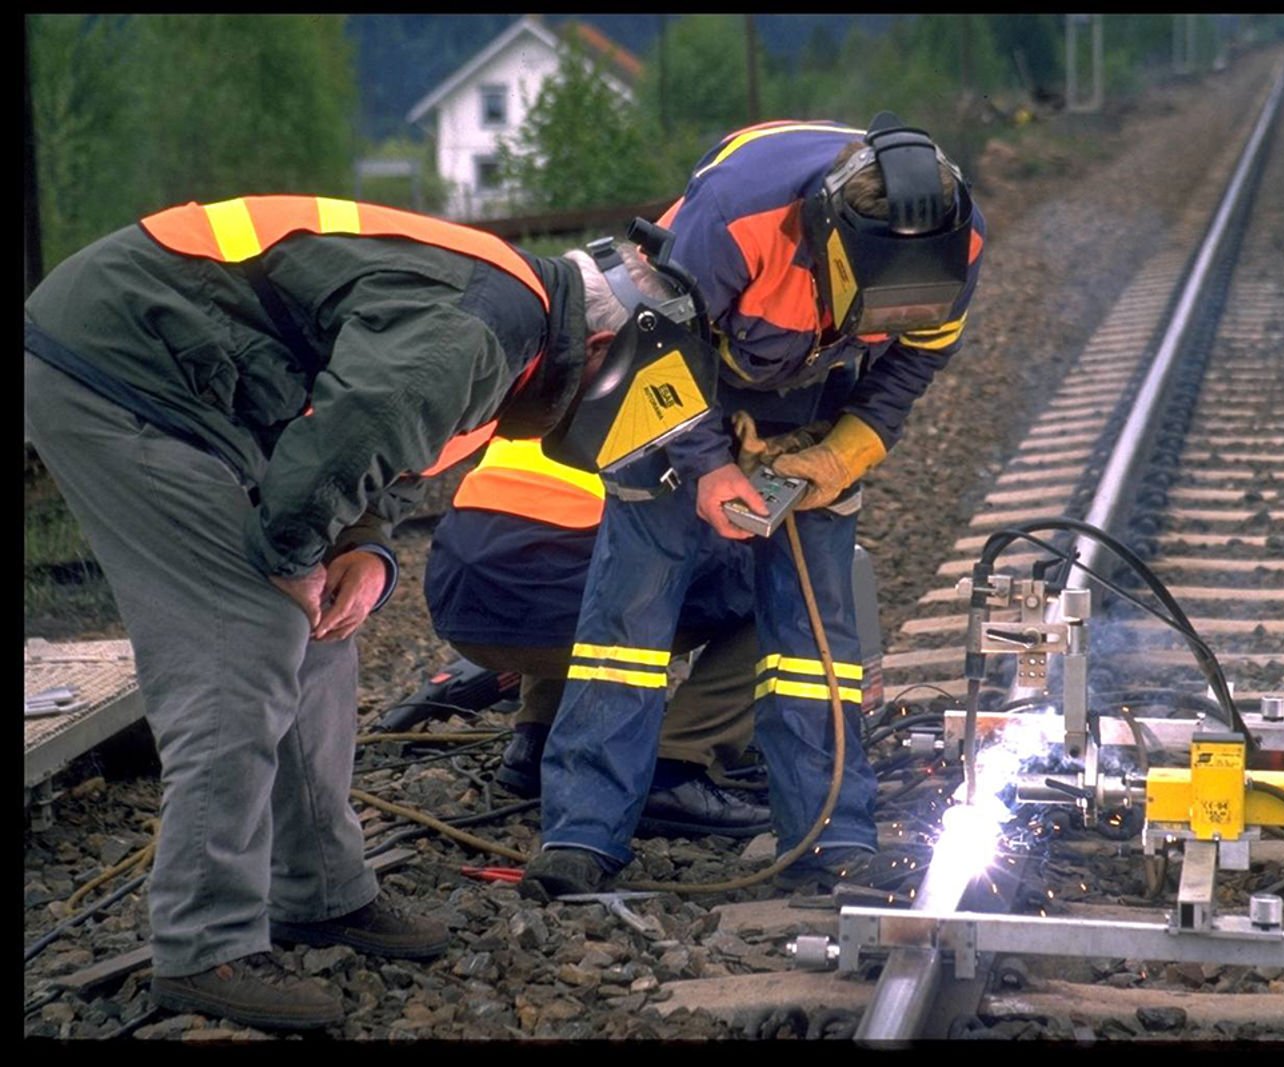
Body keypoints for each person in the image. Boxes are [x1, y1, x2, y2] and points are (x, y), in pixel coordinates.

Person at [22, 194, 709, 1030]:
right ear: (603, 347)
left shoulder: (512, 332)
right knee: (240, 637)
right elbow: (364, 422)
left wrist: (365, 551)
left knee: (319, 632)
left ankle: (320, 893)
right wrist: (295, 552)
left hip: (195, 378)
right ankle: (203, 942)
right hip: (119, 367)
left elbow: (369, 435)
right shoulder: (482, 330)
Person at [521, 113, 985, 900]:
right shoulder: (734, 220)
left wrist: (841, 453)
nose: (890, 310)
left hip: (818, 394)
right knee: (630, 616)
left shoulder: (956, 243)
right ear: (832, 235)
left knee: (817, 633)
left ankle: (829, 832)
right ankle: (582, 832)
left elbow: (913, 366)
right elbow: (660, 350)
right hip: (677, 381)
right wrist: (704, 465)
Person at [423, 433, 772, 837]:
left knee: (574, 554)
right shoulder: (679, 437)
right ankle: (677, 770)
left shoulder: (561, 394)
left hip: (462, 609)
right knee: (773, 595)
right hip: (553, 624)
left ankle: (534, 742)